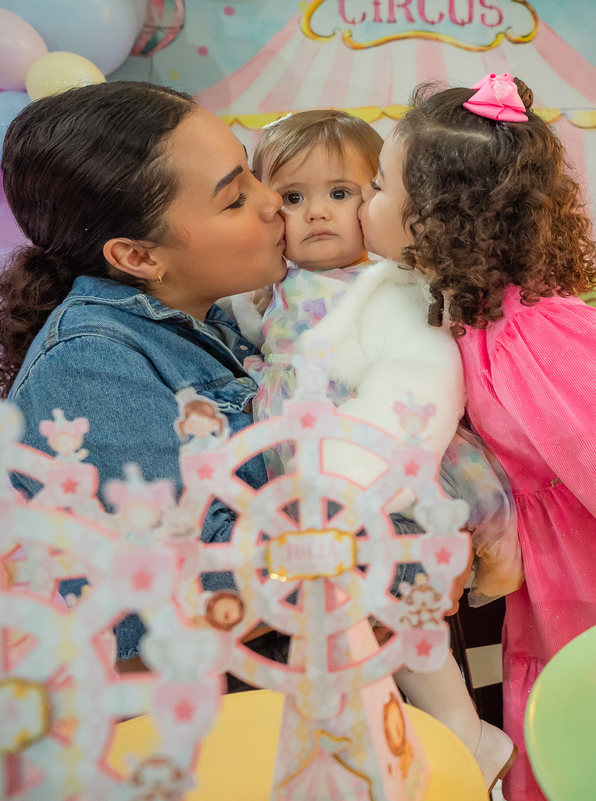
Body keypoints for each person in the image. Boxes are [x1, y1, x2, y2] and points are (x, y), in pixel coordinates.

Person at [359, 73, 596, 800]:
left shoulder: (541, 335)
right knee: (559, 702)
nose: (365, 202)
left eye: (378, 186)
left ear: (434, 217)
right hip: (550, 564)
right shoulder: (468, 316)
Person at [237, 109, 518, 788]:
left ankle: (464, 729)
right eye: (293, 198)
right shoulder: (267, 287)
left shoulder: (388, 284)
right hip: (308, 457)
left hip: (379, 451)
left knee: (404, 597)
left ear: (380, 200)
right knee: (359, 617)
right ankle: (412, 742)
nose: (317, 214)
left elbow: (413, 376)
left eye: (341, 193)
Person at [0, 81, 286, 668]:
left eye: (249, 173)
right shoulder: (89, 366)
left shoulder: (210, 321)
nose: (273, 202)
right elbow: (198, 579)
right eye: (235, 199)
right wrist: (392, 544)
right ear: (138, 256)